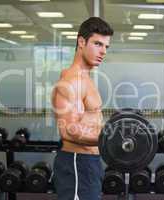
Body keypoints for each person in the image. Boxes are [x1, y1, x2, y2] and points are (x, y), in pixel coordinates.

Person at [51, 17, 113, 200]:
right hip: (78, 163)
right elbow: (69, 131)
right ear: (81, 42)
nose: (103, 51)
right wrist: (111, 141)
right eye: (97, 44)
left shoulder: (85, 78)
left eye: (106, 47)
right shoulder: (73, 81)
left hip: (88, 163)